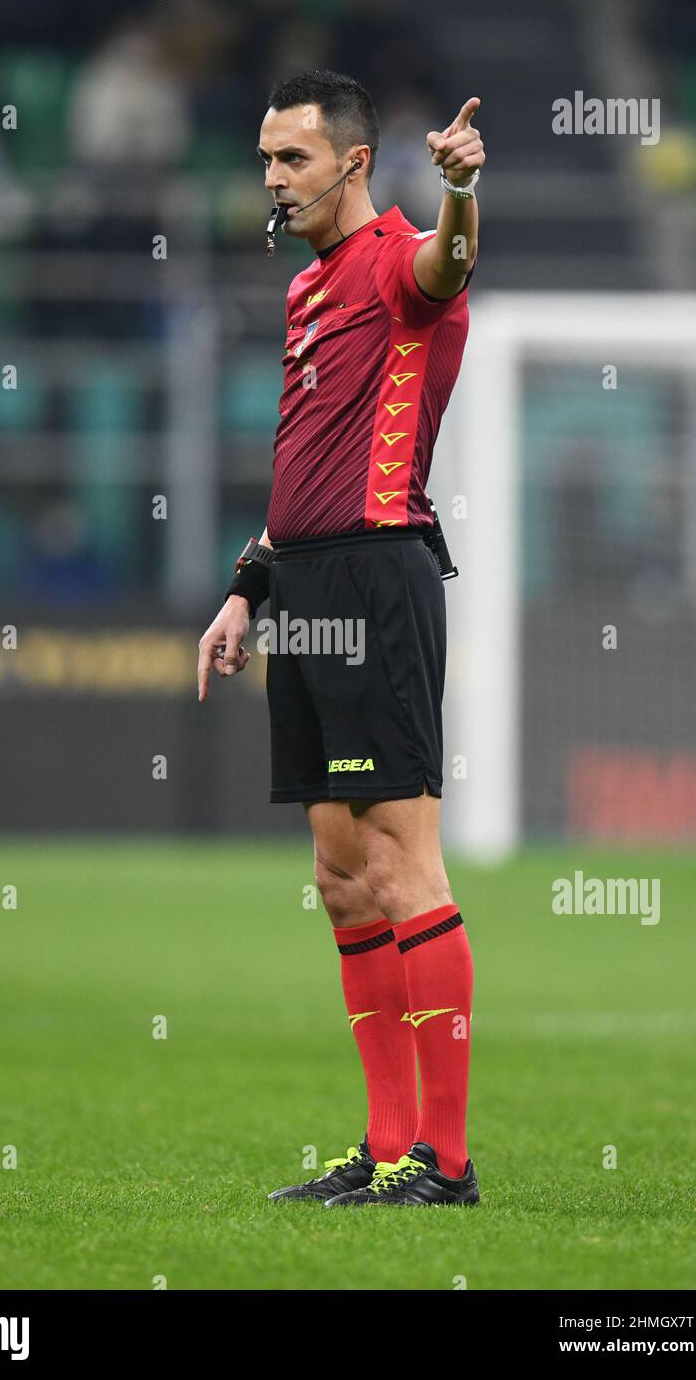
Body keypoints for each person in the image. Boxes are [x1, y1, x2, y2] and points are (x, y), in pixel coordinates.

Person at [197, 69, 484, 1207]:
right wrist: (244, 587)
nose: (272, 178)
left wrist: (461, 194)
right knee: (338, 875)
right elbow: (298, 461)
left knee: (403, 864)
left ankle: (447, 1166)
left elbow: (448, 268)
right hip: (305, 582)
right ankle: (384, 1145)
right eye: (266, 159)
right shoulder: (307, 288)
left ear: (354, 164)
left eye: (293, 159)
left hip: (378, 577)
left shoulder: (399, 260)